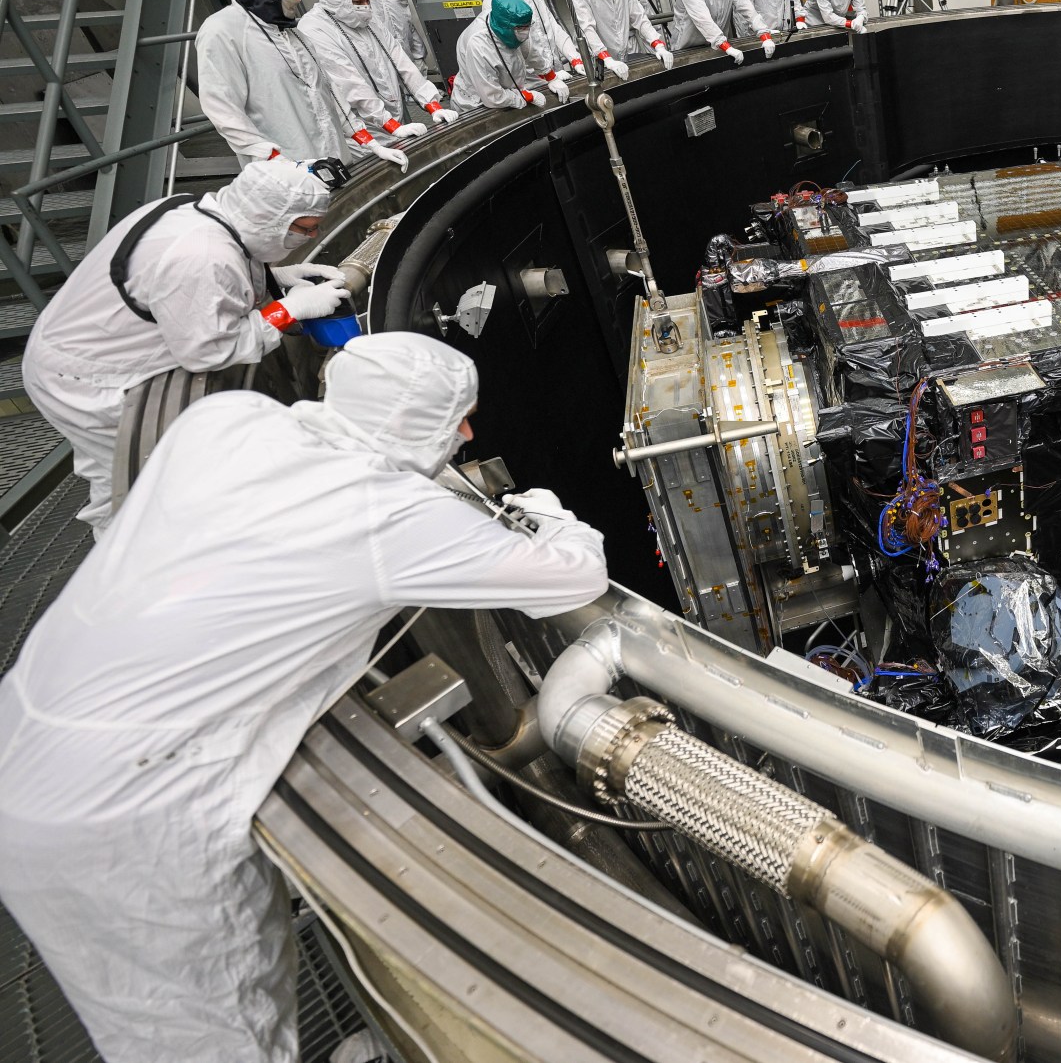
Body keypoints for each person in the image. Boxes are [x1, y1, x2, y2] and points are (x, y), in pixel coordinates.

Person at [0, 331, 610, 1063]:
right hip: (130, 808)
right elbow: (573, 579)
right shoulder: (384, 517)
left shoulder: (226, 422)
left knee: (225, 971)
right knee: (201, 1021)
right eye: (461, 417)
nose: (469, 433)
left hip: (31, 726)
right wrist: (544, 510)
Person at [20, 159, 345, 534]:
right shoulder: (202, 257)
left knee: (114, 475)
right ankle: (133, 565)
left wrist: (273, 277)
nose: (311, 235)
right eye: (304, 229)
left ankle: (122, 555)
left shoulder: (195, 212)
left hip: (71, 350)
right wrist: (288, 310)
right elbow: (211, 351)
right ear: (269, 220)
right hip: (91, 380)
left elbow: (200, 278)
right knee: (143, 483)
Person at [196, 0, 379, 168]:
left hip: (332, 160)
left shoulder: (291, 32)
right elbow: (223, 110)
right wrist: (277, 161)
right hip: (288, 172)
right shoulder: (223, 32)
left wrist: (368, 141)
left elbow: (328, 90)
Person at [298, 0, 460, 158]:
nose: (365, 7)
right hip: (361, 127)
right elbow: (351, 84)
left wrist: (432, 104)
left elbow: (399, 59)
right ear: (335, 1)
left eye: (367, 0)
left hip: (392, 116)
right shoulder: (315, 28)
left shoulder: (367, 19)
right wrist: (389, 124)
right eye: (358, 2)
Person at [452, 0, 573, 111]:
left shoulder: (512, 21)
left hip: (509, 92)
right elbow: (492, 96)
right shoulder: (478, 46)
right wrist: (527, 96)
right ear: (504, 26)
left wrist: (550, 76)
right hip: (477, 104)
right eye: (521, 28)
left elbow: (531, 50)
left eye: (527, 27)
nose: (525, 32)